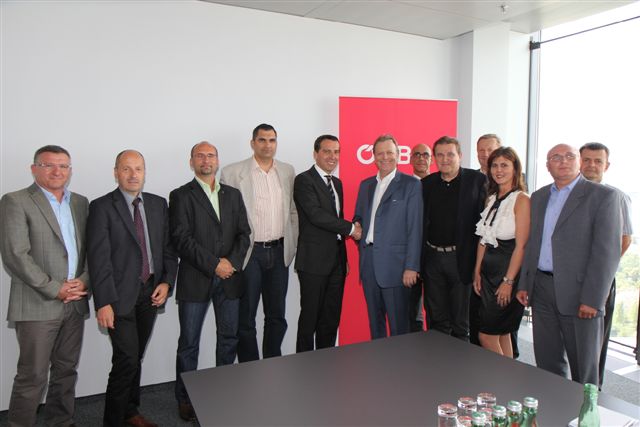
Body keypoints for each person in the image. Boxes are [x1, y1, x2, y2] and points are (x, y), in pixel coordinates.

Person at [517, 144, 622, 385]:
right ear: (547, 166)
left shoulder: (603, 197)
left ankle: (586, 409)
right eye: (555, 157)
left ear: (579, 162)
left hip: (580, 293)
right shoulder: (539, 196)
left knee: (584, 368)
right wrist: (525, 283)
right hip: (541, 288)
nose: (562, 161)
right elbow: (533, 243)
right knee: (547, 361)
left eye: (569, 156)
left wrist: (593, 299)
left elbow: (606, 253)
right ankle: (553, 405)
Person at [87, 150, 178, 427]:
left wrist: (166, 282)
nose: (133, 174)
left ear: (145, 172)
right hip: (117, 297)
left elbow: (167, 248)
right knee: (126, 358)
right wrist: (103, 302)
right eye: (126, 169)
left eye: (138, 168)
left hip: (150, 293)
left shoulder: (158, 204)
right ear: (116, 172)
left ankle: (130, 411)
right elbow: (98, 258)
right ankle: (113, 421)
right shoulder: (102, 206)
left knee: (135, 355)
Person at [0, 145, 89, 427]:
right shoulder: (16, 201)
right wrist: (54, 288)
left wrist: (84, 280)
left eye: (63, 166)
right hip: (37, 303)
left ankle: (60, 422)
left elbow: (91, 250)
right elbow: (15, 255)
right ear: (34, 168)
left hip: (75, 302)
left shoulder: (80, 203)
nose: (57, 171)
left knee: (66, 371)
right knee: (33, 376)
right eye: (48, 165)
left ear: (70, 170)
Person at [169, 142, 251, 421]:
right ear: (191, 162)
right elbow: (181, 238)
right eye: (200, 156)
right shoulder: (181, 195)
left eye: (211, 155)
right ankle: (185, 398)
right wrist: (214, 264)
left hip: (229, 279)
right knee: (189, 343)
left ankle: (222, 392)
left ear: (217, 160)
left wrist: (231, 263)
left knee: (228, 338)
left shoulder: (233, 194)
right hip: (196, 278)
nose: (206, 160)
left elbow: (244, 234)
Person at [220, 124, 298, 361]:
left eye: (272, 140)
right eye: (262, 140)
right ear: (252, 143)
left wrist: (292, 243)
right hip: (249, 253)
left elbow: (293, 211)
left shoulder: (287, 171)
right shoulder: (232, 173)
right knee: (246, 318)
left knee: (277, 316)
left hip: (279, 252)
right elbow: (227, 219)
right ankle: (250, 367)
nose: (267, 145)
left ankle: (273, 363)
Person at [293, 135, 361, 352]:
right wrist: (352, 229)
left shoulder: (337, 183)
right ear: (316, 154)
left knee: (331, 319)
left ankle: (326, 363)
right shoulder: (304, 180)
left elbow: (336, 220)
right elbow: (316, 215)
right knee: (309, 319)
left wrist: (344, 259)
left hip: (336, 263)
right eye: (327, 151)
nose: (333, 156)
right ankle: (304, 365)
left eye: (337, 152)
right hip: (313, 262)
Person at [353, 134, 422, 338]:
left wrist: (412, 266)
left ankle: (400, 361)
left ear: (398, 155)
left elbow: (415, 228)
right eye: (380, 153)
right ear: (374, 156)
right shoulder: (366, 185)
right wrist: (357, 224)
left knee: (399, 329)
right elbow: (359, 215)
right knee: (375, 326)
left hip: (396, 267)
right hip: (368, 264)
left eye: (389, 153)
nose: (385, 157)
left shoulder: (411, 185)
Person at [421, 136, 486, 341]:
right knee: (436, 318)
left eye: (450, 154)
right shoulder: (426, 184)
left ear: (460, 155)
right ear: (434, 158)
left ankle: (461, 360)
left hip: (462, 258)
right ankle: (438, 358)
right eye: (440, 155)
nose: (445, 159)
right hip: (432, 258)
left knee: (460, 322)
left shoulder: (477, 181)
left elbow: (485, 223)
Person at [579, 142, 633, 387]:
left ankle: (593, 392)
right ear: (579, 162)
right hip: (568, 278)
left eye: (598, 161)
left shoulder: (616, 197)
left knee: (594, 343)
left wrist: (600, 271)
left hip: (599, 281)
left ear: (606, 165)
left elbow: (624, 239)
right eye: (587, 160)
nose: (592, 165)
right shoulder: (568, 194)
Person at [473, 147, 530, 357]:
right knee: (502, 333)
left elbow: (522, 246)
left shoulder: (522, 199)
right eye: (495, 165)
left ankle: (499, 375)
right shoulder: (491, 199)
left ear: (515, 169)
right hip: (488, 275)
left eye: (504, 165)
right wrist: (477, 272)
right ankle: (508, 375)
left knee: (486, 336)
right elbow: (484, 240)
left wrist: (508, 281)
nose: (499, 170)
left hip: (506, 275)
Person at [409, 143, 431, 332]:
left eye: (425, 154)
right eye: (417, 154)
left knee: (435, 309)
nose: (421, 158)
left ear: (431, 159)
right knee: (412, 311)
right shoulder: (404, 186)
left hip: (435, 258)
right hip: (411, 258)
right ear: (410, 159)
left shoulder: (439, 184)